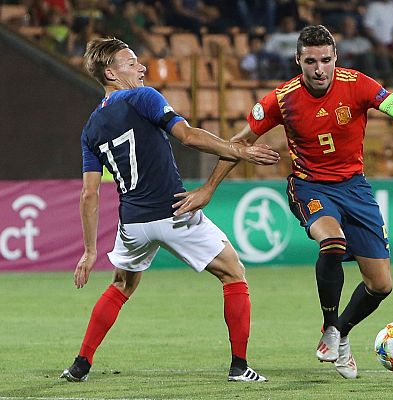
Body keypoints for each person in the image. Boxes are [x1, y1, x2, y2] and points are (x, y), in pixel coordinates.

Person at [168, 25, 393, 379]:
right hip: (310, 187)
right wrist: (209, 188)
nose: (319, 69)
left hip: (356, 189)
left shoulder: (360, 84)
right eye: (311, 61)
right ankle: (330, 327)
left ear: (336, 58)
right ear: (298, 61)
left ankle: (342, 333)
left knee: (381, 285)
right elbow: (237, 144)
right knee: (332, 242)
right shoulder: (280, 99)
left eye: (326, 60)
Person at [59, 37, 280, 383]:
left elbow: (89, 194)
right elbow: (188, 136)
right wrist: (242, 151)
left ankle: (80, 365)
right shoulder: (143, 97)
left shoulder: (90, 129)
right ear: (111, 73)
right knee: (233, 273)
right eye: (131, 63)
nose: (141, 67)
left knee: (121, 284)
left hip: (132, 223)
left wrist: (89, 251)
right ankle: (239, 367)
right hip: (174, 210)